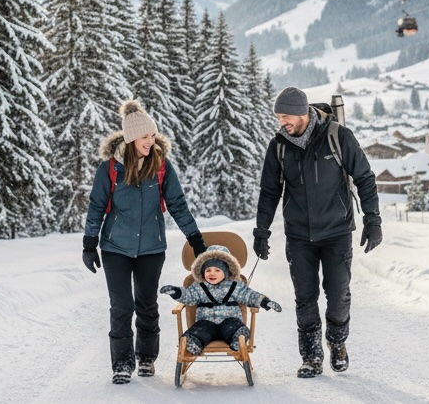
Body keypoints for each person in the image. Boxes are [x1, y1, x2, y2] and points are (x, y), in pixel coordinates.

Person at [253, 87, 383, 378]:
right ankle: (311, 356)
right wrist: (261, 230)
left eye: (285, 116)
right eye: (278, 117)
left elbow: (364, 177)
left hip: (337, 232)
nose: (281, 122)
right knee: (305, 297)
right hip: (299, 235)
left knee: (338, 295)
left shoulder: (338, 136)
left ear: (301, 113)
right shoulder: (279, 146)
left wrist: (373, 221)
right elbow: (269, 191)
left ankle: (337, 342)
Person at [82, 100, 208, 385]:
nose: (150, 142)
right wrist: (89, 243)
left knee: (147, 304)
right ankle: (122, 364)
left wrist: (195, 238)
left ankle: (147, 358)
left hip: (151, 247)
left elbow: (177, 204)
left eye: (153, 135)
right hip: (115, 248)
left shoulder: (161, 165)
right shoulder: (110, 169)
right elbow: (96, 206)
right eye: (145, 137)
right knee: (122, 306)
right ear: (130, 138)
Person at [159, 245, 282, 355]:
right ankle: (193, 341)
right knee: (199, 330)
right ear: (203, 271)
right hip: (206, 321)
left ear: (226, 271)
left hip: (229, 320)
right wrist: (176, 292)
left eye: (217, 270)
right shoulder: (199, 285)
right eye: (208, 270)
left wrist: (265, 302)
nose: (212, 274)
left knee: (234, 327)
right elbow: (189, 296)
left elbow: (249, 295)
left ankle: (238, 338)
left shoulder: (235, 285)